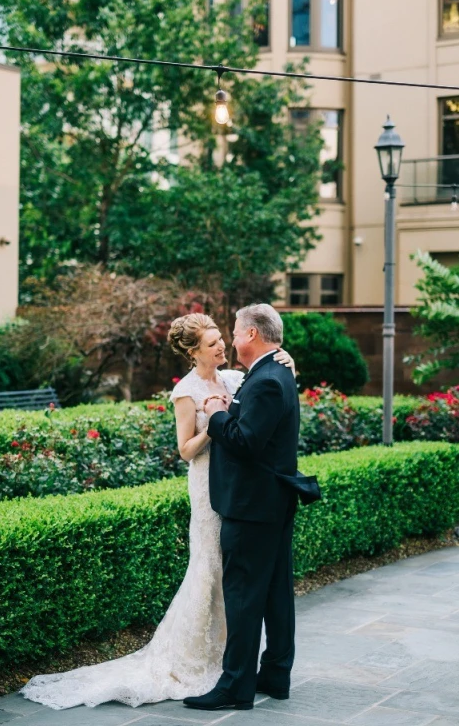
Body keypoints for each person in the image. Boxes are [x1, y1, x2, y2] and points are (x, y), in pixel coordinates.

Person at [20, 312, 295, 710]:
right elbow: (185, 449)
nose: (223, 345)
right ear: (193, 351)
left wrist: (283, 359)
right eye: (214, 341)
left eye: (225, 336)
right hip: (212, 489)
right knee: (216, 577)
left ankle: (233, 670)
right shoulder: (187, 391)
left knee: (238, 585)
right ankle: (210, 663)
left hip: (242, 493)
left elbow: (263, 392)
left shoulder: (239, 378)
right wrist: (214, 420)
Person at [184, 304, 320, 712]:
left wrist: (216, 412)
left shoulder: (265, 380)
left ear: (251, 336)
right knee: (277, 593)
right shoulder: (273, 373)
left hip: (252, 505)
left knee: (243, 596)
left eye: (235, 331)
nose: (230, 338)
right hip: (271, 501)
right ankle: (275, 674)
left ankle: (235, 687)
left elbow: (244, 441)